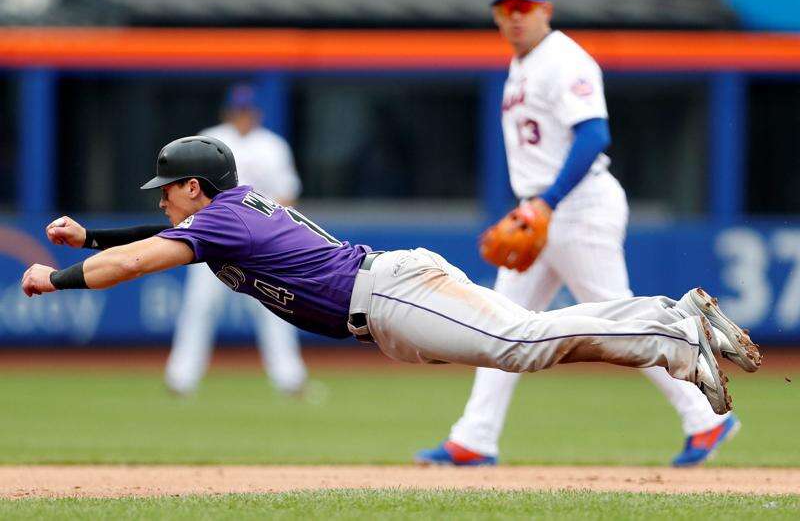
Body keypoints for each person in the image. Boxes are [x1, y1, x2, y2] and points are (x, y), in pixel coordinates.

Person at [23, 136, 760, 426]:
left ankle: (672, 322)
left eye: (167, 189)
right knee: (529, 345)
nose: (161, 199)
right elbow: (154, 238)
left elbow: (134, 262)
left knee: (525, 342)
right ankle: (673, 337)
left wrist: (55, 278)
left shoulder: (218, 223)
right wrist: (88, 234)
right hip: (388, 306)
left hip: (392, 295)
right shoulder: (230, 210)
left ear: (193, 187)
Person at [415, 0, 748, 468]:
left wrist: (545, 202)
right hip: (541, 211)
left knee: (617, 318)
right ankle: (474, 437)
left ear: (546, 9)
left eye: (524, 7)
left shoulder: (564, 59)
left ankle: (706, 417)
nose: (515, 16)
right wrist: (538, 205)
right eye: (505, 8)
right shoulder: (521, 64)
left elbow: (593, 135)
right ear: (495, 15)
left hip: (577, 207)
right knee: (501, 324)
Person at [165, 83, 306, 396]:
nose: (243, 116)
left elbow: (287, 195)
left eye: (248, 110)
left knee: (276, 307)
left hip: (259, 244)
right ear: (228, 112)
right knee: (199, 307)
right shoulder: (209, 140)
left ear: (257, 113)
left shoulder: (272, 146)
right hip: (213, 239)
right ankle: (180, 378)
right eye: (238, 110)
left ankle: (290, 379)